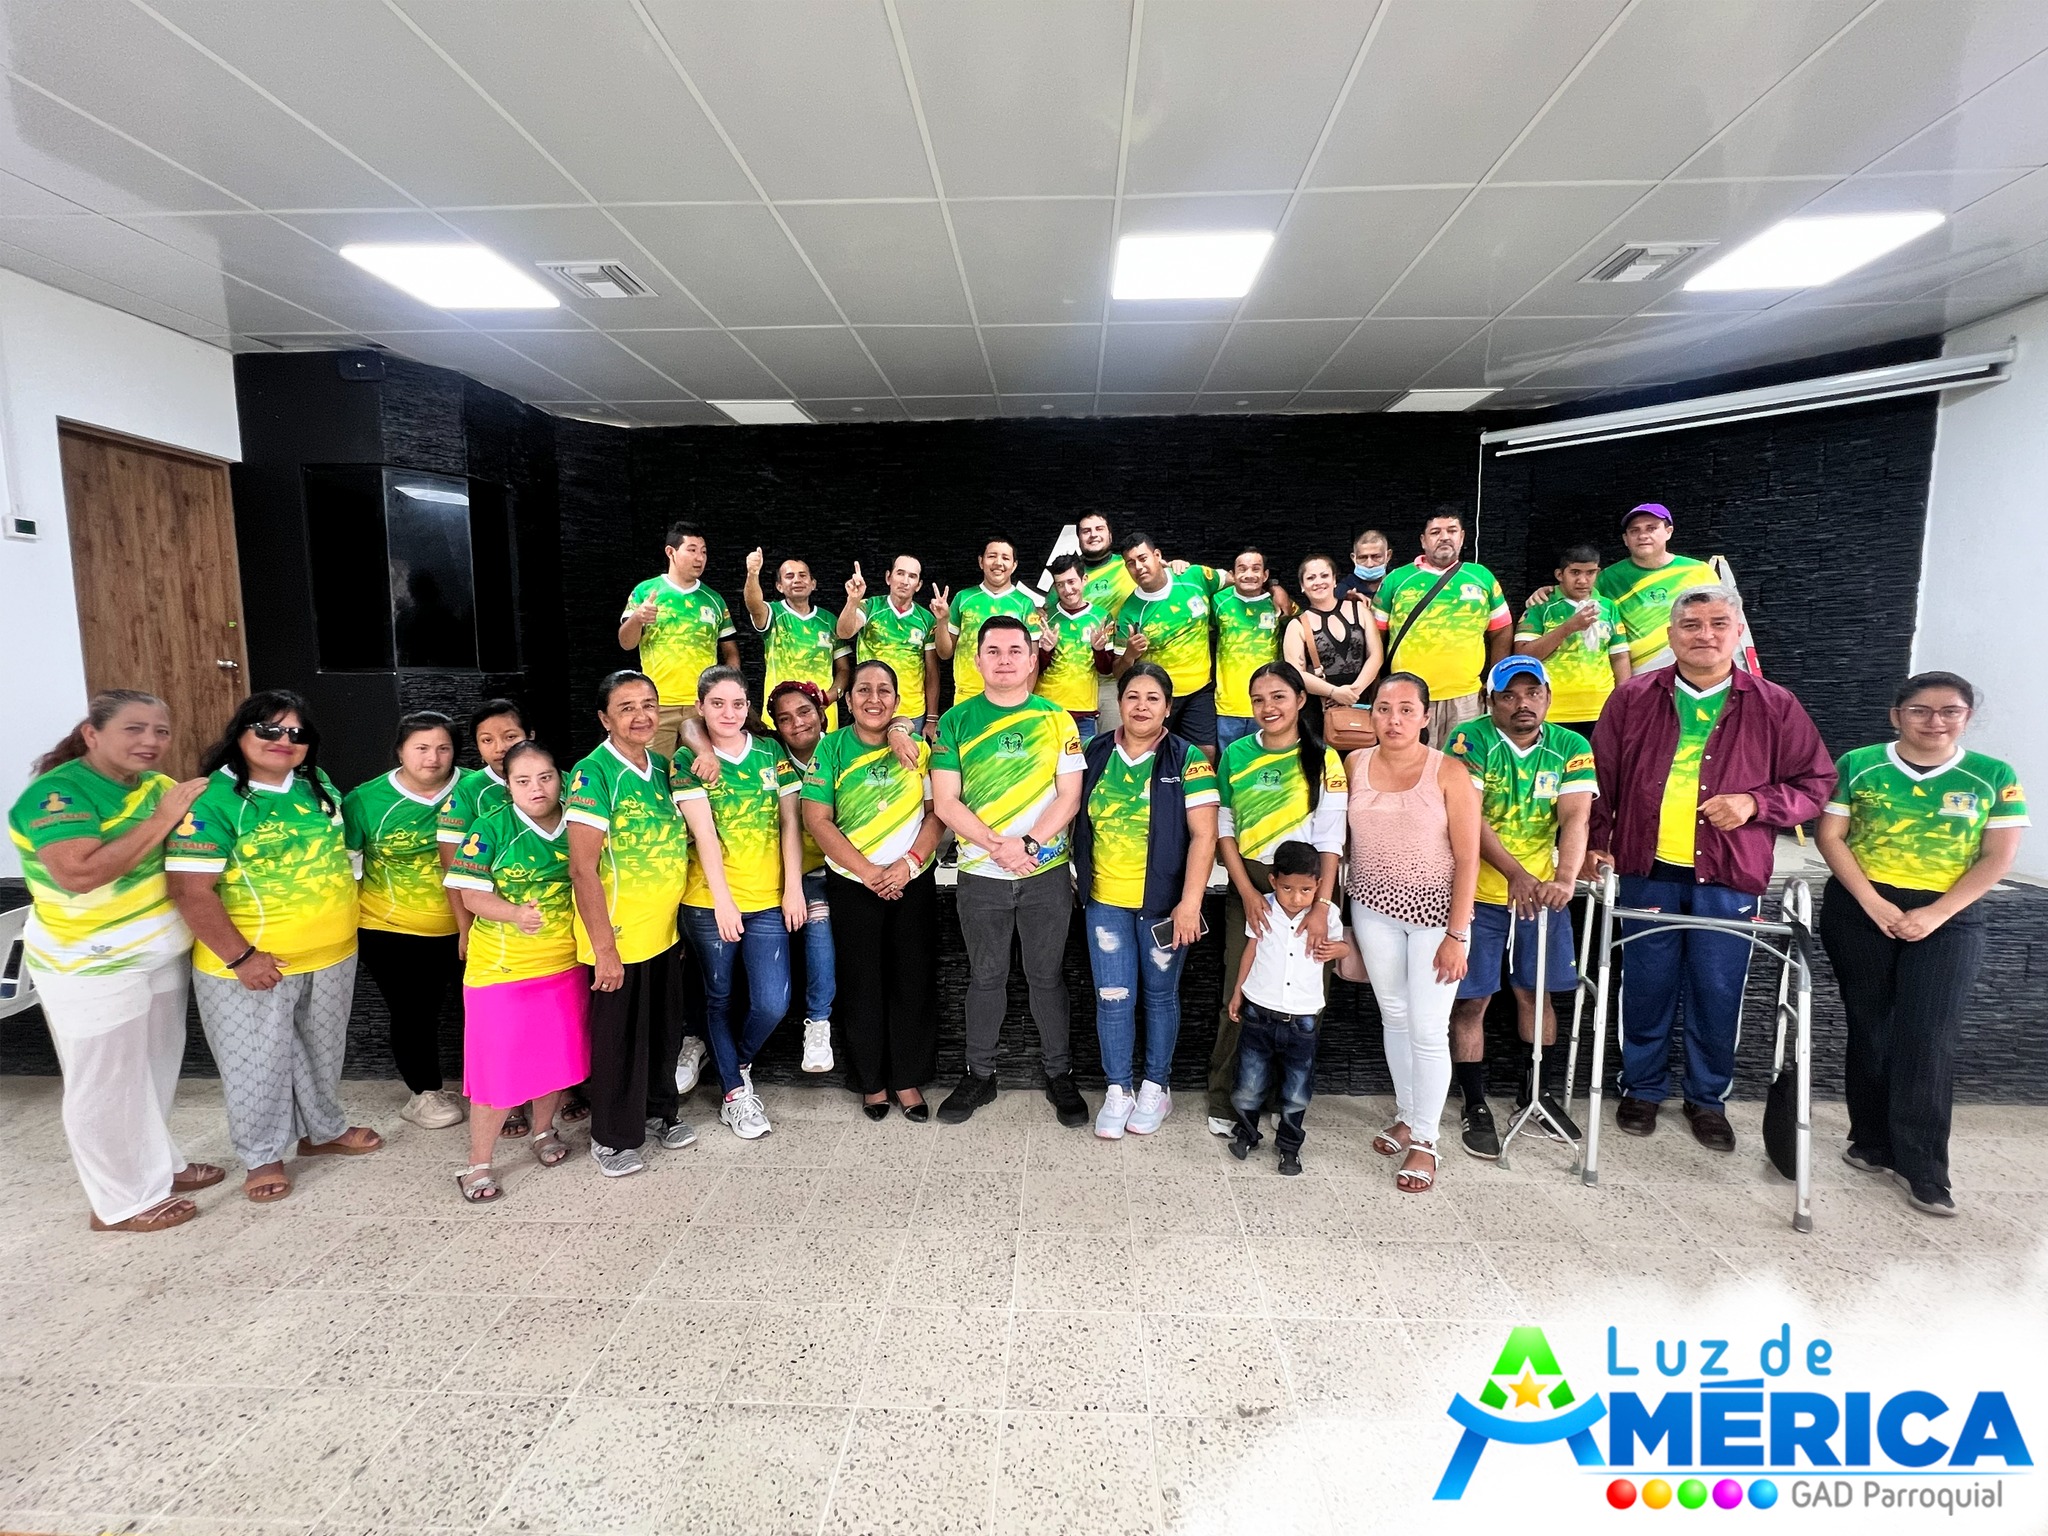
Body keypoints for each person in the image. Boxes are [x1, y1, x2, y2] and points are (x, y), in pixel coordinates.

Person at [1589, 585, 1835, 1152]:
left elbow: (1816, 784)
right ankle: (1642, 1089)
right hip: (1646, 867)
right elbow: (1599, 778)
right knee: (1644, 985)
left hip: (1729, 874)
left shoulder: (1775, 704)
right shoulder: (1632, 698)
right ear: (1671, 635)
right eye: (1692, 624)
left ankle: (1707, 1099)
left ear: (1738, 631)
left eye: (1718, 623)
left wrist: (1755, 804)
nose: (1705, 635)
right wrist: (1596, 844)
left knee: (1718, 988)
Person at [1816, 672, 2028, 1217]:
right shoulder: (1859, 764)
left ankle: (1925, 1168)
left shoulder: (1993, 775)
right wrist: (1872, 903)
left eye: (1950, 711)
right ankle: (1871, 1141)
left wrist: (1937, 913)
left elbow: (1998, 856)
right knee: (1870, 1025)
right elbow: (1830, 837)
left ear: (1967, 717)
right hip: (1862, 908)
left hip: (1949, 915)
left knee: (1928, 1035)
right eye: (1920, 710)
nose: (1935, 721)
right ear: (1897, 716)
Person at [8, 691, 220, 1232]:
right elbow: (79, 874)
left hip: (159, 952)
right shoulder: (57, 795)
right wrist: (163, 819)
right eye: (134, 728)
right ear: (92, 733)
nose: (150, 741)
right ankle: (121, 1202)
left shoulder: (157, 786)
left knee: (153, 1069)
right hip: (91, 964)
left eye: (161, 731)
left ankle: (158, 1166)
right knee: (105, 1082)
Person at [166, 690, 379, 1204]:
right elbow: (190, 891)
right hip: (251, 962)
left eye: (296, 732)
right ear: (240, 733)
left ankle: (323, 1132)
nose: (284, 740)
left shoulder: (315, 783)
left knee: (323, 1053)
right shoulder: (213, 800)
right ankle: (262, 1156)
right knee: (256, 1066)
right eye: (268, 729)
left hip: (332, 953)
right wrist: (241, 957)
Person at [931, 614, 1089, 1127]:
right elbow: (946, 802)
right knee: (986, 977)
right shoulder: (955, 721)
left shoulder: (1057, 719)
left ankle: (1060, 1074)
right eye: (993, 651)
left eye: (1015, 651)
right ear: (976, 660)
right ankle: (979, 1075)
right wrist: (998, 847)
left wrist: (1028, 845)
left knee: (1047, 977)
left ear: (1032, 659)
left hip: (1045, 873)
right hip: (981, 875)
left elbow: (1069, 797)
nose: (1004, 660)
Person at [565, 670, 718, 1176]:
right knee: (619, 1043)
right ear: (605, 718)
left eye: (648, 704)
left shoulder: (662, 768)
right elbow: (582, 869)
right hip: (617, 937)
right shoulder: (593, 773)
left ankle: (659, 1113)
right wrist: (604, 950)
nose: (641, 715)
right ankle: (611, 1138)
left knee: (662, 1034)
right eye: (626, 707)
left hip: (662, 933)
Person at [1443, 658, 1594, 1159]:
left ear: (1548, 696)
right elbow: (1468, 819)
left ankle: (1537, 1095)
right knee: (1472, 1003)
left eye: (1533, 693)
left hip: (1541, 896)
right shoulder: (1469, 740)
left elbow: (1575, 817)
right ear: (1490, 702)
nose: (1522, 704)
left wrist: (1565, 878)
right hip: (1476, 894)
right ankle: (1474, 1102)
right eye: (1508, 695)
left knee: (1536, 995)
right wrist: (1514, 873)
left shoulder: (1571, 746)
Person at [1345, 672, 1482, 1194]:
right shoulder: (1355, 764)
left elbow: (1468, 858)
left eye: (1406, 710)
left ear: (1426, 717)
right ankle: (1408, 1114)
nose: (1393, 719)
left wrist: (1457, 934)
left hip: (1435, 916)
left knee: (1428, 1029)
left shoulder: (1448, 771)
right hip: (1372, 908)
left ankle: (1426, 1141)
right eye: (1383, 708)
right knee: (1395, 1016)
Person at [1069, 662, 1219, 1139]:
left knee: (1159, 997)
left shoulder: (1188, 758)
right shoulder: (1095, 752)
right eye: (1132, 696)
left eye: (1153, 698)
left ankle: (1156, 1086)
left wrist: (1190, 903)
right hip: (1105, 902)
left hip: (1164, 906)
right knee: (1113, 999)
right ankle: (1119, 1089)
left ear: (1168, 708)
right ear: (1120, 702)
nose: (1141, 706)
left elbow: (1205, 836)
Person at [442, 740, 589, 1201]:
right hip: (502, 970)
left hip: (564, 963)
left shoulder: (580, 822)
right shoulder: (491, 827)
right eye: (523, 780)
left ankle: (543, 1131)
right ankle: (478, 1164)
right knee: (496, 1071)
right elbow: (470, 893)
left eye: (545, 777)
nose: (536, 788)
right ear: (508, 786)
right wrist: (513, 914)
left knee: (554, 1059)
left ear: (561, 778)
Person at [1209, 661, 1349, 1137]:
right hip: (1250, 880)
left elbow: (1330, 839)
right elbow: (1224, 826)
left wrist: (1321, 906)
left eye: (1278, 697)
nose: (1268, 708)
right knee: (1241, 987)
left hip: (1309, 888)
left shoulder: (1324, 759)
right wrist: (1249, 892)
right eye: (1258, 700)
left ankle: (1282, 1101)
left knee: (1304, 995)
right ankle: (1226, 1098)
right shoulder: (1236, 754)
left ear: (1300, 700)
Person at [802, 660, 945, 1120]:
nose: (874, 699)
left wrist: (909, 864)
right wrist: (866, 871)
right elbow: (817, 819)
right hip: (852, 883)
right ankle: (871, 1082)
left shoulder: (918, 750)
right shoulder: (831, 748)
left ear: (898, 701)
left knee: (913, 980)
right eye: (863, 689)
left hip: (911, 880)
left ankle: (907, 1079)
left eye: (884, 690)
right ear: (848, 700)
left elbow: (937, 814)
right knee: (861, 983)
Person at [680, 667, 806, 1141]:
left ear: (748, 706)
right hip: (710, 902)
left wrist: (792, 887)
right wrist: (723, 903)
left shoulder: (770, 752)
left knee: (773, 1002)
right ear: (701, 707)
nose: (728, 713)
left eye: (737, 704)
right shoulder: (688, 760)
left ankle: (733, 1059)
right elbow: (704, 836)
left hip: (769, 900)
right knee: (719, 998)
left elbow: (790, 824)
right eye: (717, 704)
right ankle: (735, 1094)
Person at [344, 711, 464, 1132]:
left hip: (471, 923)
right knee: (413, 1012)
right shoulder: (364, 800)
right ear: (399, 751)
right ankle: (423, 1093)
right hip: (392, 929)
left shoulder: (476, 789)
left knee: (482, 1010)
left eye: (443, 748)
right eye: (421, 748)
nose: (433, 758)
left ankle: (498, 1088)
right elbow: (348, 867)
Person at [1226, 839, 1349, 1175]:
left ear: (1319, 885)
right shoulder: (1262, 908)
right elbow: (1251, 950)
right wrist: (1238, 992)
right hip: (1259, 1010)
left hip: (1303, 1017)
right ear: (1273, 881)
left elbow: (1344, 948)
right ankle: (1246, 1133)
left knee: (1297, 1089)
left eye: (1306, 890)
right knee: (1249, 1082)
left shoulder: (1327, 916)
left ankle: (1290, 1148)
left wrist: (1336, 951)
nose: (1296, 898)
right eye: (1287, 888)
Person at [1373, 508, 1511, 746]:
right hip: (1407, 698)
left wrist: (1493, 681)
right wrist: (1377, 690)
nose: (1444, 537)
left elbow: (1502, 630)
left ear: (1462, 537)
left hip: (1466, 698)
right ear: (1423, 540)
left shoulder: (1481, 577)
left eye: (1452, 531)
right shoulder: (1397, 579)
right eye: (1435, 532)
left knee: (1463, 763)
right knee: (1410, 762)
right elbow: (1375, 638)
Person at [616, 520, 741, 759]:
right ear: (670, 552)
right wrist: (638, 618)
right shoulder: (646, 591)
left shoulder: (714, 599)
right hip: (657, 704)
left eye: (703, 552)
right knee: (656, 770)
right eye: (692, 550)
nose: (699, 558)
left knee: (703, 770)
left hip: (702, 705)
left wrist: (728, 691)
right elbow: (626, 643)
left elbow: (731, 651)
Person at [768, 681, 839, 1075]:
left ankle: (820, 1019)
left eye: (805, 712)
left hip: (843, 867)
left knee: (820, 920)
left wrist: (901, 726)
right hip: (796, 873)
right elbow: (694, 726)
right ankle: (818, 1023)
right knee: (818, 922)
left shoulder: (840, 747)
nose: (797, 723)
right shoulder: (770, 756)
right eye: (785, 718)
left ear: (821, 713)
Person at [1112, 531, 1221, 756]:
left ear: (1157, 555)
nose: (1138, 567)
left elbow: (1235, 580)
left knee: (1205, 753)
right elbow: (1118, 672)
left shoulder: (1192, 576)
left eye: (1143, 558)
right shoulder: (1129, 611)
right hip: (1158, 696)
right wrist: (1130, 654)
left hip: (1200, 690)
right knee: (1156, 756)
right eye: (1130, 563)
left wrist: (1274, 588)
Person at [1514, 544, 1630, 738]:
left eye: (1590, 573)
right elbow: (1523, 656)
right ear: (1560, 574)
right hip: (1552, 709)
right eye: (1575, 572)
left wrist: (1624, 700)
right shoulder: (1541, 605)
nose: (1582, 580)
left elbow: (1619, 657)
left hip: (1601, 708)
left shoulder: (1608, 607)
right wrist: (1569, 627)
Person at [1596, 502, 1719, 673]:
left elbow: (1721, 622)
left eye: (1651, 528)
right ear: (1625, 539)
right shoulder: (1607, 579)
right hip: (1638, 675)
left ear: (1669, 532)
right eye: (1634, 531)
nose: (1642, 536)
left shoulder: (1699, 572)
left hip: (1694, 670)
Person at [837, 554, 942, 743]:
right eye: (900, 573)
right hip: (871, 707)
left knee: (909, 762)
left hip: (912, 712)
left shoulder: (926, 619)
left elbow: (932, 672)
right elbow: (844, 632)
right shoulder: (870, 607)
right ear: (888, 577)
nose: (905, 581)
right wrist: (853, 600)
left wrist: (932, 718)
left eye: (912, 576)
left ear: (918, 585)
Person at [1282, 552, 1383, 739]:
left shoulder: (1359, 610)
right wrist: (1334, 692)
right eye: (1311, 578)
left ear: (1335, 580)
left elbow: (1376, 655)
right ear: (1302, 586)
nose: (1318, 582)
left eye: (1324, 575)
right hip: (1319, 708)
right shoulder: (1297, 625)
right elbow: (1296, 673)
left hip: (1363, 701)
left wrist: (1354, 691)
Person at [937, 534, 1045, 705]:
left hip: (1009, 697)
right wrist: (942, 621)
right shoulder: (963, 598)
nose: (998, 563)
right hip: (966, 697)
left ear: (1014, 565)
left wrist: (1023, 701)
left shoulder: (1025, 604)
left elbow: (1033, 659)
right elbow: (944, 654)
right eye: (992, 556)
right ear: (981, 562)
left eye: (1005, 558)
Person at [744, 547, 850, 705]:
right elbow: (754, 606)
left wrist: (829, 697)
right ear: (779, 586)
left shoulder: (830, 620)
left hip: (823, 712)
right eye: (789, 576)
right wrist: (752, 573)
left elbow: (844, 669)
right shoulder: (773, 613)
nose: (797, 580)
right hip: (779, 712)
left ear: (813, 584)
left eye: (802, 575)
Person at [1034, 552, 1114, 743]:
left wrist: (1098, 650)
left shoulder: (1102, 617)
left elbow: (1106, 669)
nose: (1067, 590)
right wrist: (1046, 651)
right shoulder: (1045, 619)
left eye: (1071, 582)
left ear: (1084, 579)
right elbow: (1034, 669)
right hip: (1047, 709)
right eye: (1060, 584)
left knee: (1085, 761)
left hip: (1084, 712)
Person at [1214, 548, 1287, 754]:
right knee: (1231, 763)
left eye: (1256, 569)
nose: (1249, 574)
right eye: (1242, 569)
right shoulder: (1218, 601)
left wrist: (1277, 589)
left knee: (1266, 763)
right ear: (1233, 574)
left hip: (1269, 705)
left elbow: (1298, 620)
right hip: (1228, 706)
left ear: (1265, 575)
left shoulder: (1277, 603)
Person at [1076, 511, 1138, 735]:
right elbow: (1049, 612)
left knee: (1114, 743)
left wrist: (1178, 565)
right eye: (1086, 531)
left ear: (1110, 535)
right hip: (1077, 675)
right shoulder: (1071, 574)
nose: (1093, 535)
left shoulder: (1129, 565)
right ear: (1079, 538)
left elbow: (1160, 577)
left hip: (1114, 676)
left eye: (1099, 529)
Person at [1336, 528, 1391, 606]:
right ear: (1353, 558)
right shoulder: (1346, 585)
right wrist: (1347, 595)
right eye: (1363, 558)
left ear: (1388, 556)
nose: (1370, 564)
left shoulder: (1397, 581)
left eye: (1376, 557)